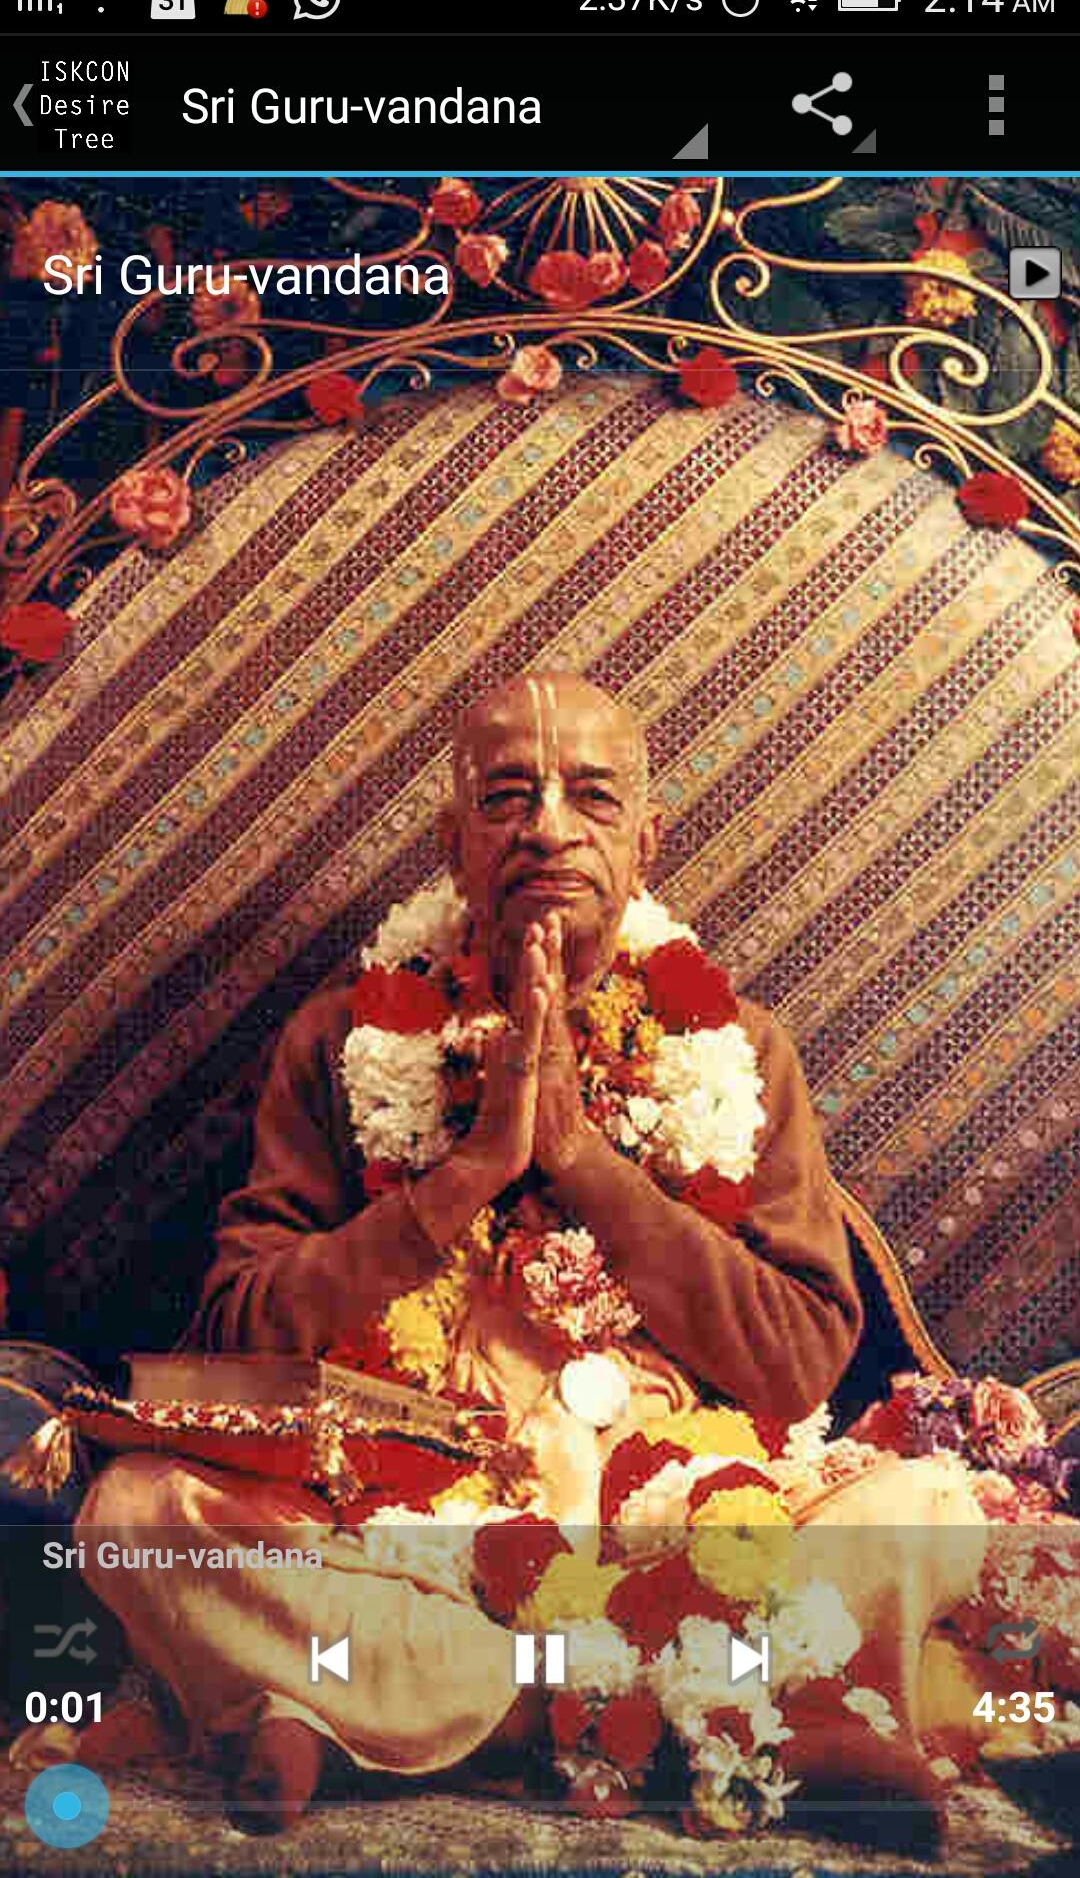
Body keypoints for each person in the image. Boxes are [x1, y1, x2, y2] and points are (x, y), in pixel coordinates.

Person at [74, 672, 983, 1838]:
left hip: (680, 1518)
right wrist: (465, 1177)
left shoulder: (743, 1052)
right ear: (453, 845)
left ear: (647, 841)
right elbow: (237, 1338)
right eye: (508, 797)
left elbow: (800, 1361)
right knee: (138, 1512)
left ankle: (379, 1713)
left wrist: (583, 1161)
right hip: (403, 1514)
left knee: (928, 1505)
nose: (549, 827)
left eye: (590, 796)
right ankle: (695, 1721)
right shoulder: (345, 1039)